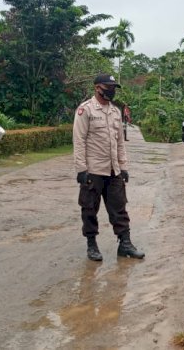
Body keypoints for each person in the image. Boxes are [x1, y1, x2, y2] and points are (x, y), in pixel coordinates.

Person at [74, 74, 145, 261]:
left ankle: (125, 244)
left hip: (114, 170)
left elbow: (120, 143)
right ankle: (92, 245)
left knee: (119, 207)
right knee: (89, 209)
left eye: (114, 87)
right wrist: (81, 169)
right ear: (97, 87)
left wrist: (124, 167)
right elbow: (79, 140)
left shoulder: (115, 112)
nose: (112, 91)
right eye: (108, 87)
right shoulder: (85, 110)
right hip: (94, 170)